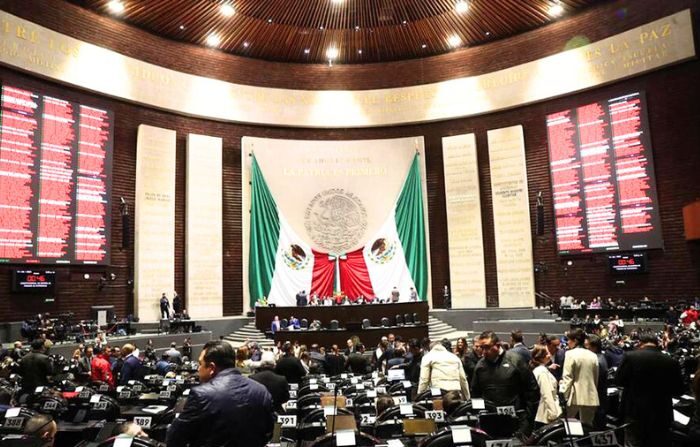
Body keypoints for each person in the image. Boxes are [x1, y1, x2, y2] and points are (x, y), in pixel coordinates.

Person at [166, 340, 274, 447]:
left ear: (211, 368)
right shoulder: (262, 391)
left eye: (200, 364)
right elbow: (269, 433)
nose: (198, 369)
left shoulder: (201, 394)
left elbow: (174, 440)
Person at [616, 333, 684, 447]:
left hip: (635, 411)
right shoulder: (671, 361)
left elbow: (619, 381)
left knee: (633, 443)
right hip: (661, 413)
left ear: (640, 343)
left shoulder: (630, 356)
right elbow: (678, 390)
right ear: (657, 344)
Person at [470, 331, 539, 440]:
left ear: (497, 345)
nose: (484, 352)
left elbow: (532, 391)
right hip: (490, 423)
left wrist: (527, 422)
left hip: (516, 422)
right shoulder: (480, 366)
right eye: (481, 348)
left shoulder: (516, 360)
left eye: (487, 347)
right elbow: (475, 394)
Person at [559, 328, 599, 426]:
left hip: (574, 396)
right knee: (587, 428)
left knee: (567, 426)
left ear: (575, 341)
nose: (567, 342)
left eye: (569, 340)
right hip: (591, 396)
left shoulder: (570, 354)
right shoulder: (593, 355)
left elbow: (567, 378)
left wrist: (563, 396)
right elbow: (595, 378)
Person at [530, 344, 562, 426]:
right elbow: (546, 394)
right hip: (545, 414)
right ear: (541, 357)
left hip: (541, 412)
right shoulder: (542, 372)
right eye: (547, 353)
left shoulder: (539, 369)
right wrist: (553, 413)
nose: (549, 355)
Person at [585, 334, 608, 429]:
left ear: (594, 347)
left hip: (597, 400)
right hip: (599, 399)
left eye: (587, 346)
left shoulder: (596, 361)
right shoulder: (599, 357)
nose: (585, 349)